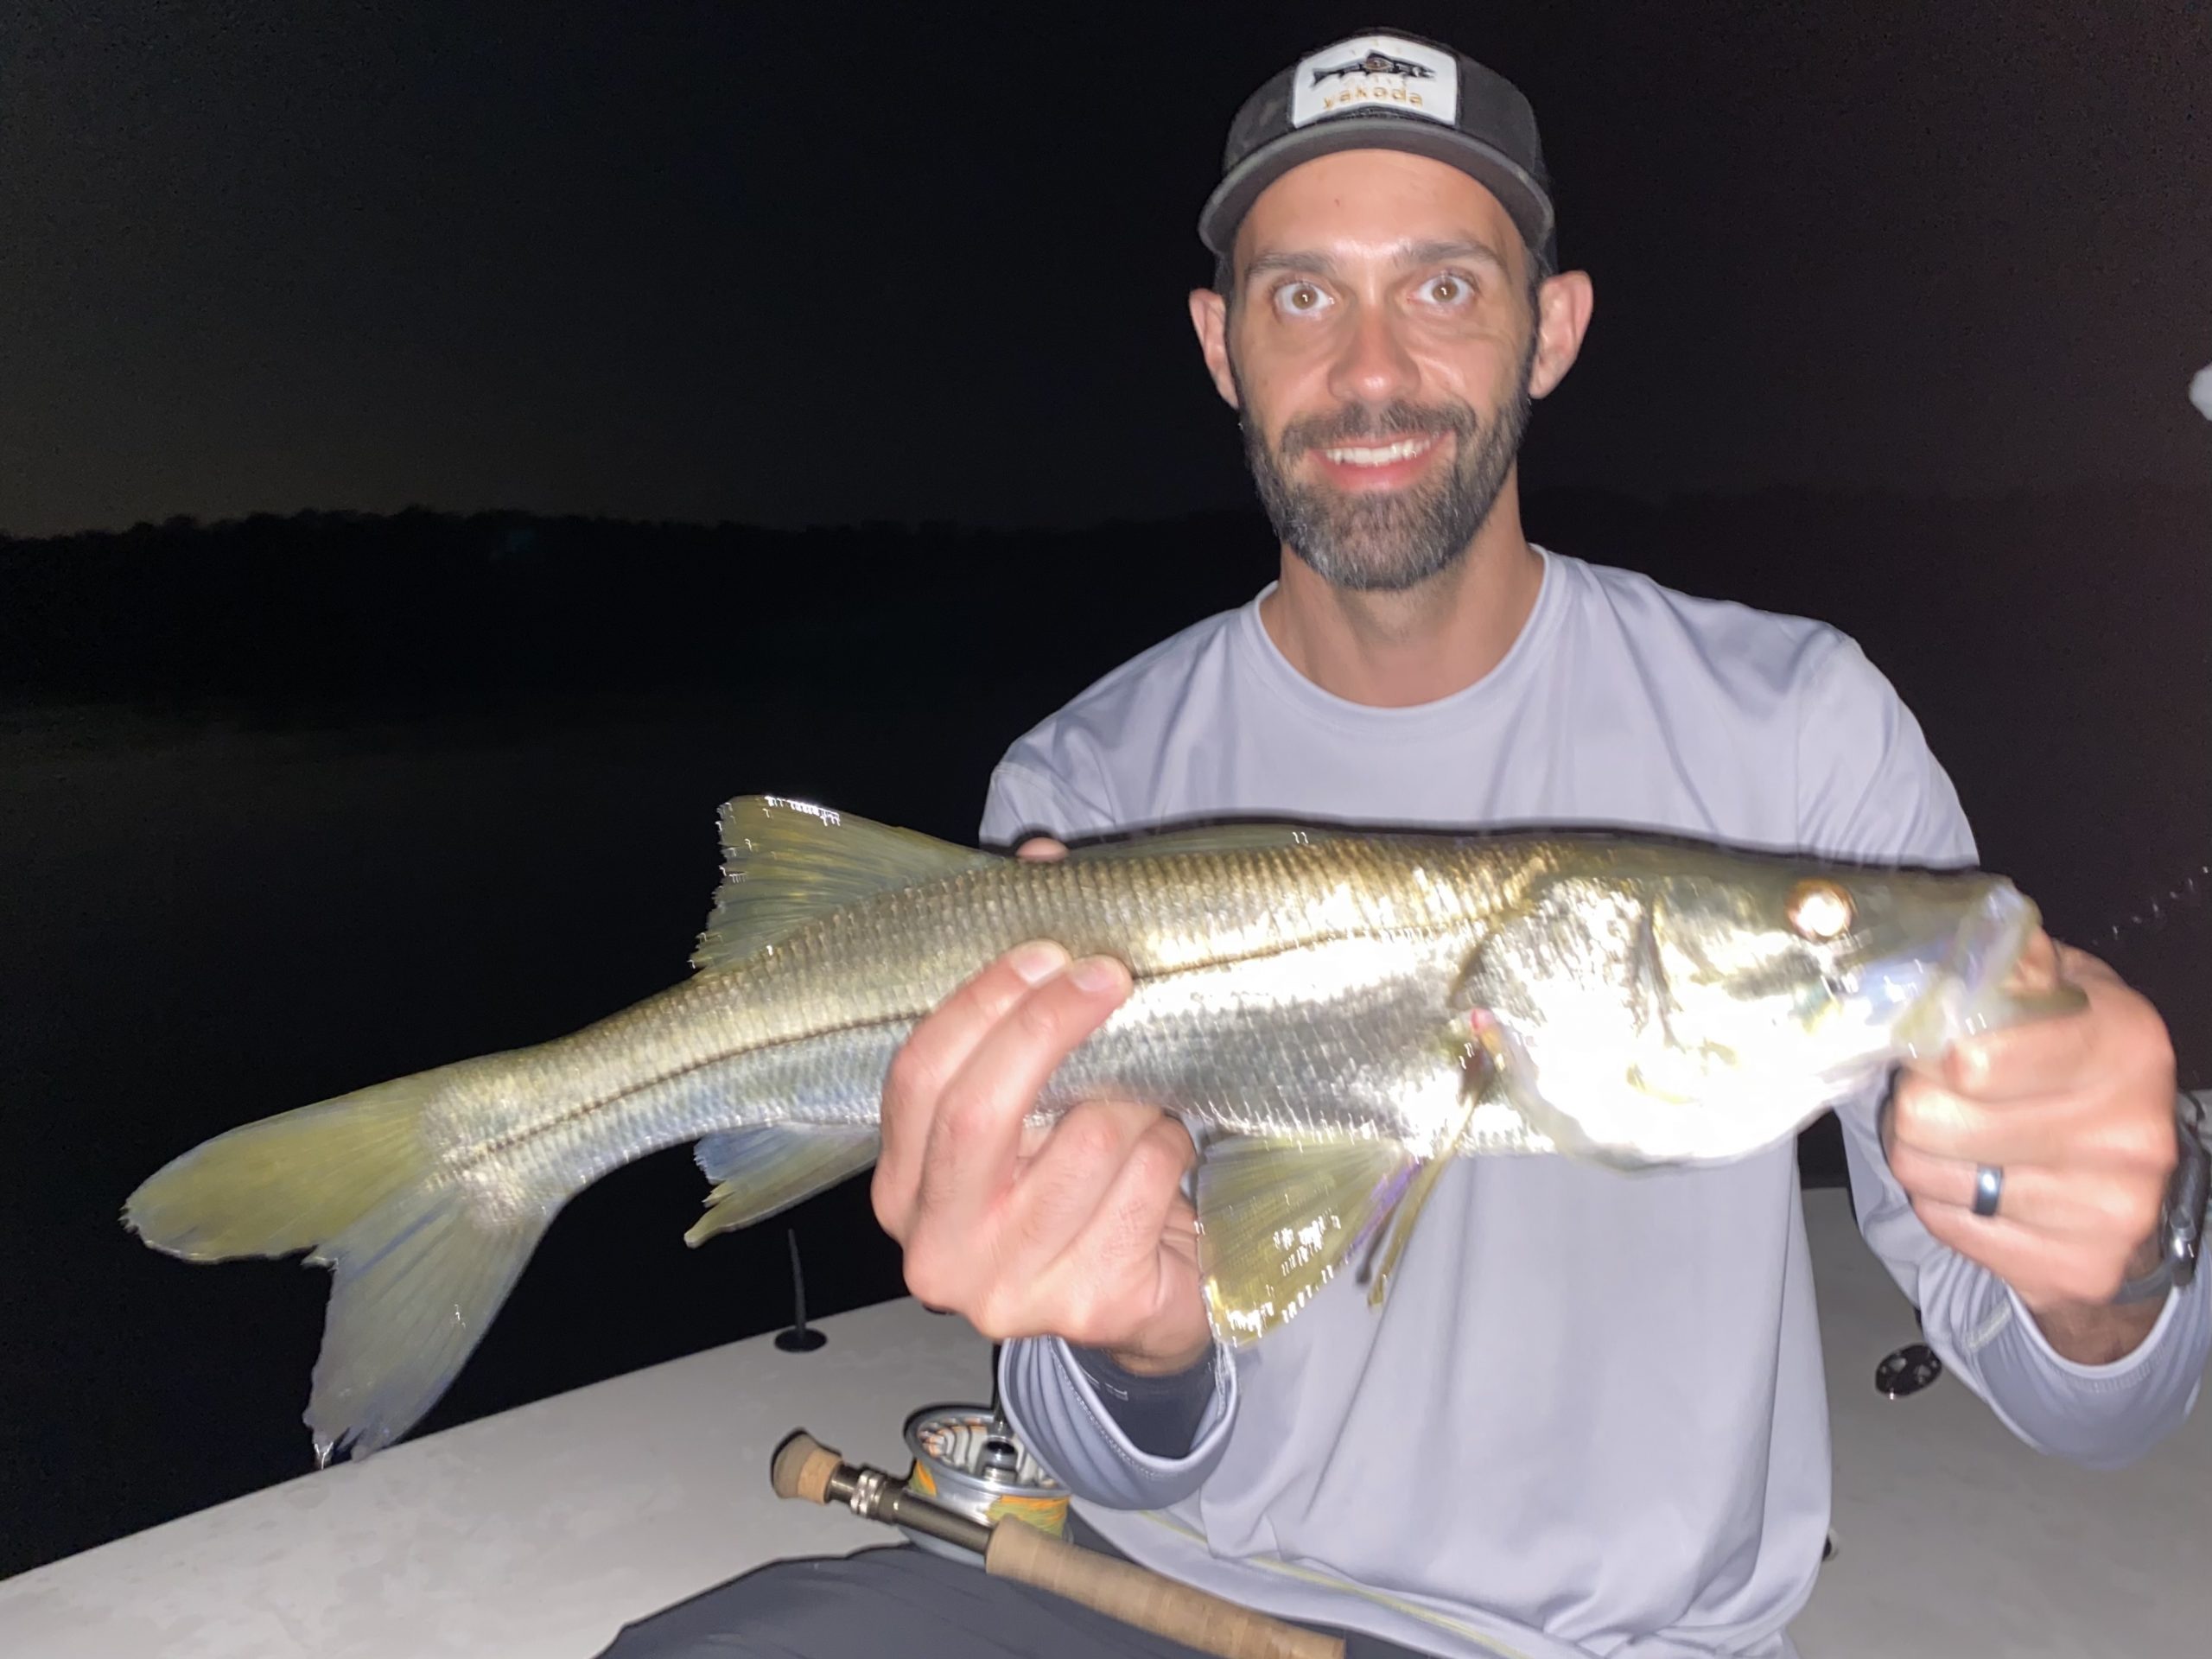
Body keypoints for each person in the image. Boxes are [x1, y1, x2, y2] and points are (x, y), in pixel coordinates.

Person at [602, 29, 2208, 1659]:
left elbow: (2089, 1403)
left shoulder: (1798, 725)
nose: (1371, 370)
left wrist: (2116, 1262)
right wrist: (1138, 1355)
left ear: (1551, 329)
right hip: (1167, 1603)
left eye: (1444, 287)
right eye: (1306, 295)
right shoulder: (1089, 776)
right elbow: (1094, 1440)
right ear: (1223, 347)